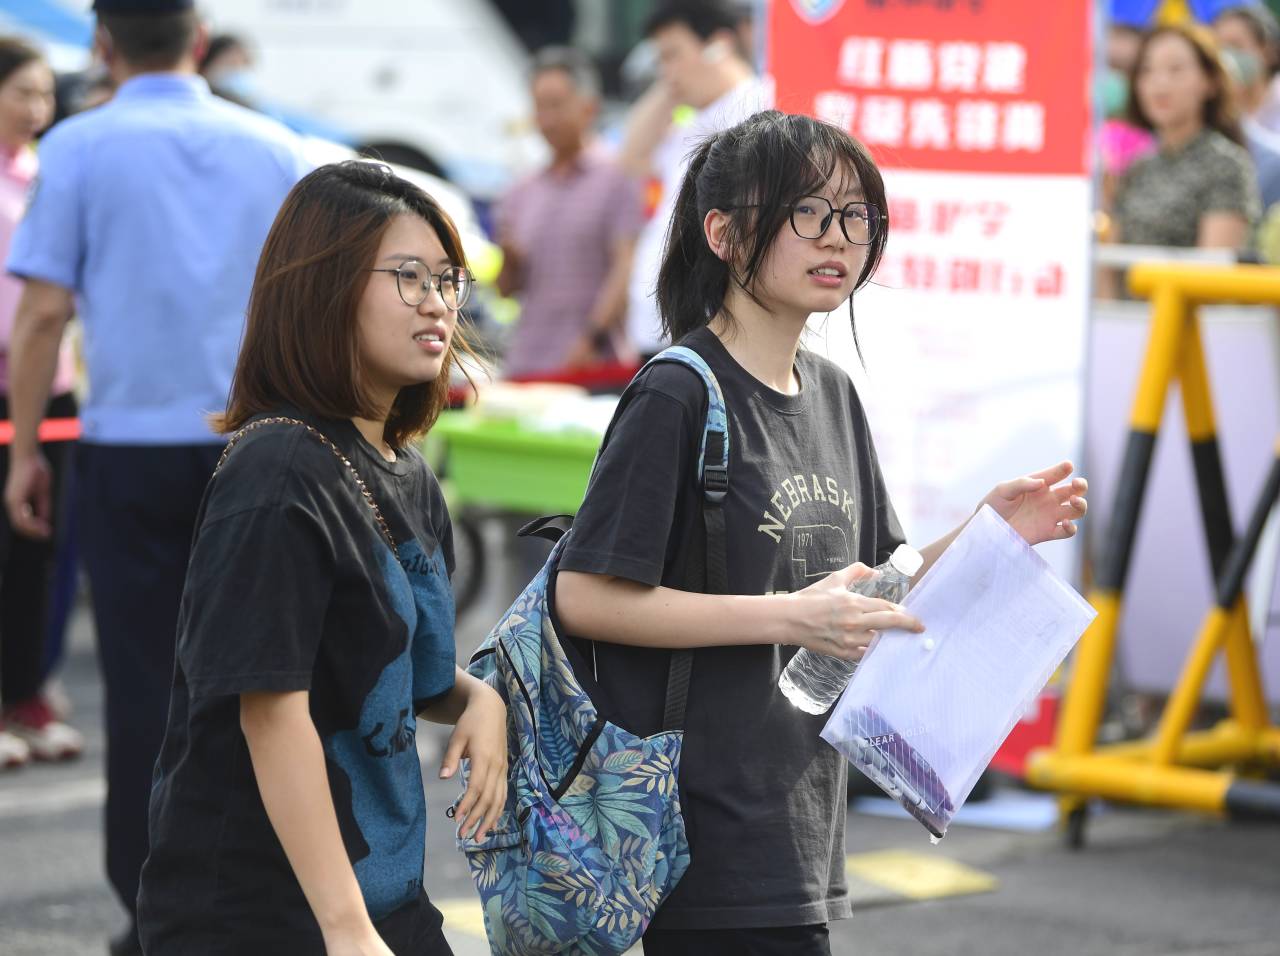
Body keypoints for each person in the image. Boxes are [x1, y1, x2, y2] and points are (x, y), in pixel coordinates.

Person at [554, 110, 1089, 955]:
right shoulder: (680, 393)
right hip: (698, 832)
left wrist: (986, 534)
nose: (836, 236)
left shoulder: (832, 392)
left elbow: (873, 585)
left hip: (798, 821)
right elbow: (584, 594)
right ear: (724, 233)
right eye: (806, 211)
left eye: (855, 215)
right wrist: (786, 617)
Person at [2, 1, 312, 951]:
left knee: (144, 688)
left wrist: (23, 451)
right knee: (271, 684)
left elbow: (45, 314)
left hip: (126, 446)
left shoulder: (81, 147)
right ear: (197, 41)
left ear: (101, 46)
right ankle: (262, 896)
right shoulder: (276, 146)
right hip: (260, 445)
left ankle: (154, 911)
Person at [137, 160, 507, 956]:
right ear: (325, 284)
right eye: (408, 276)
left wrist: (481, 702)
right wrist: (345, 929)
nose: (438, 302)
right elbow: (271, 710)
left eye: (447, 280)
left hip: (381, 902)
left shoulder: (404, 469)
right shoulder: (276, 471)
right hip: (262, 915)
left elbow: (408, 680)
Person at [0, 37, 82, 770]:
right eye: (21, 91)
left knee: (38, 545)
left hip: (47, 386)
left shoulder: (49, 177)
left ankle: (24, 692)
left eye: (44, 95)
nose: (36, 108)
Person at [620, 0, 768, 360]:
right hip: (665, 329)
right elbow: (629, 159)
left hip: (709, 327)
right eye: (659, 60)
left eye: (672, 55)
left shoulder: (760, 109)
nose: (665, 71)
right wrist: (672, 81)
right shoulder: (692, 119)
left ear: (719, 44)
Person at [495, 47, 643, 376]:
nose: (546, 119)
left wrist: (591, 339)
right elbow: (506, 289)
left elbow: (625, 267)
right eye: (539, 106)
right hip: (528, 362)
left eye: (556, 105)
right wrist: (510, 259)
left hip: (593, 363)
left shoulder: (617, 178)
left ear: (589, 108)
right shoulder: (520, 191)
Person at [1112, 23, 1260, 250]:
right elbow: (1110, 258)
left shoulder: (1227, 166)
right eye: (1147, 70)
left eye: (1176, 69)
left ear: (1210, 81)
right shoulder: (1138, 169)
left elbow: (1213, 270)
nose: (1160, 83)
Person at [1213, 3, 1280, 209]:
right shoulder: (1217, 112)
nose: (1226, 58)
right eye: (1219, 47)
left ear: (1268, 51)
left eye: (1236, 46)